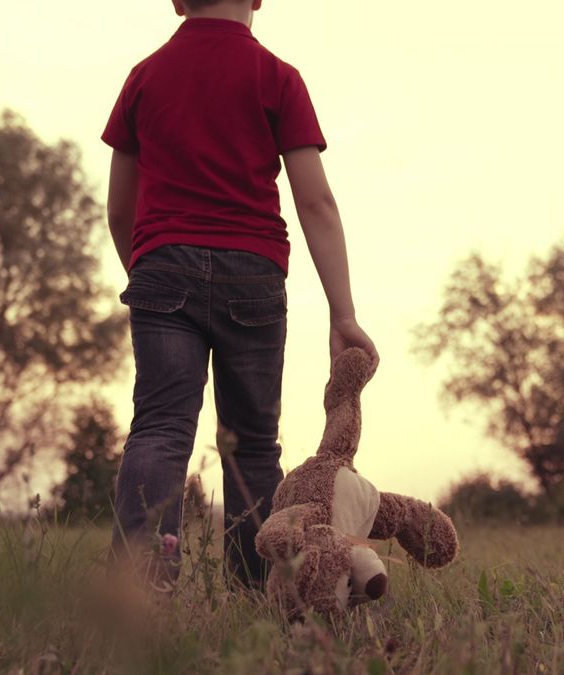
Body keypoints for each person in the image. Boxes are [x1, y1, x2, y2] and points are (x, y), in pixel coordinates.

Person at [102, 0, 378, 592]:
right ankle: (259, 592)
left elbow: (120, 207)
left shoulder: (144, 76)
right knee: (253, 443)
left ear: (177, 1)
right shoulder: (278, 77)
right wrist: (343, 311)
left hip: (160, 265)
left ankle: (141, 590)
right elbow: (316, 203)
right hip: (252, 274)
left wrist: (149, 274)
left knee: (159, 430)